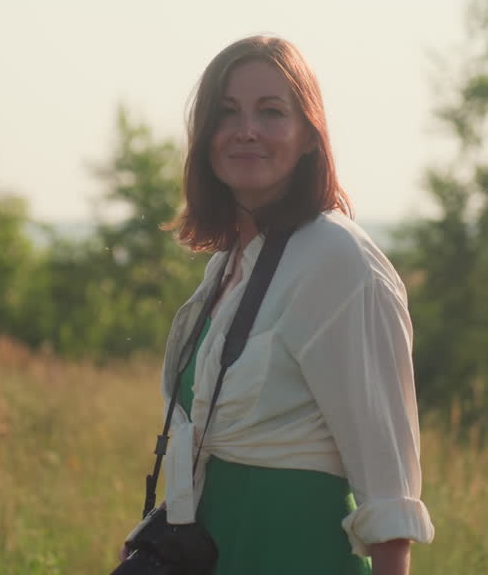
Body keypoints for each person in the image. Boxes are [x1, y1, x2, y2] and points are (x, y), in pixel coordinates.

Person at [125, 36, 434, 574]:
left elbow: (388, 483)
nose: (246, 130)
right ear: (205, 138)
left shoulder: (340, 262)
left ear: (310, 135)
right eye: (227, 113)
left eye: (270, 112)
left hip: (298, 553)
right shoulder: (229, 265)